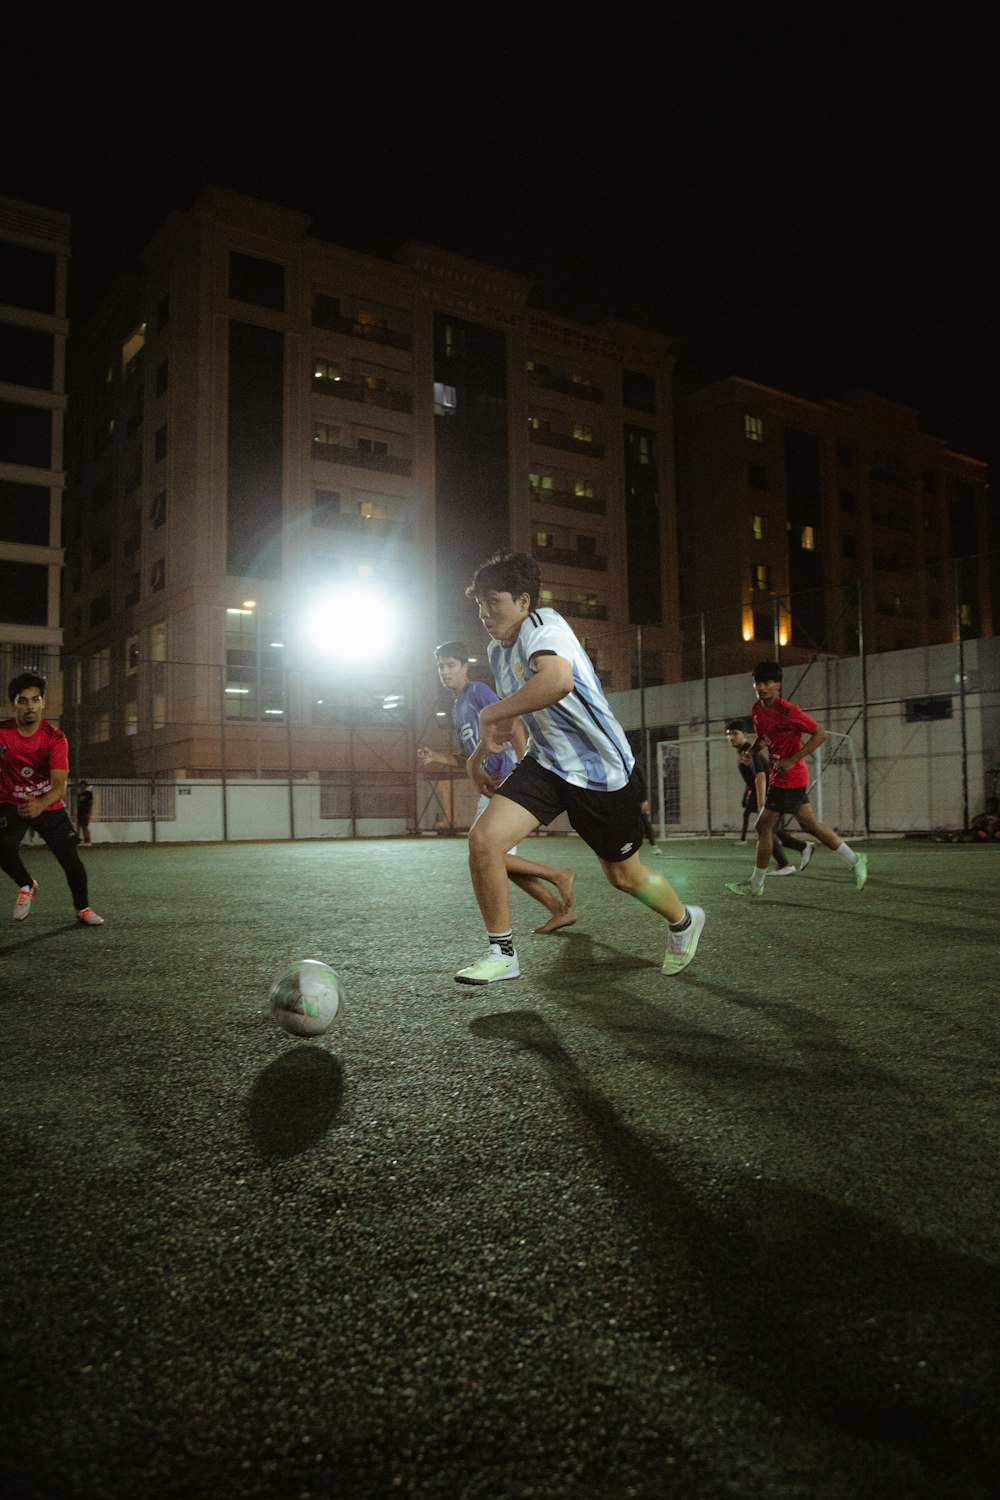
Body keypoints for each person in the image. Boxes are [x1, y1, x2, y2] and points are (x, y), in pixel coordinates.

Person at [453, 551, 704, 983]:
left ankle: (684, 920)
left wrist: (488, 715)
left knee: (625, 878)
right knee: (484, 841)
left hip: (600, 772)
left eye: (493, 602)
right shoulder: (498, 650)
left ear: (524, 602)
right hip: (547, 764)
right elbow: (517, 708)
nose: (483, 613)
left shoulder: (545, 628)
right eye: (479, 603)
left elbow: (556, 681)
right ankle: (502, 953)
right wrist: (479, 753)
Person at [418, 641, 577, 933]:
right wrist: (436, 757)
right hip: (491, 787)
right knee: (498, 858)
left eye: (451, 665)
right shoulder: (457, 709)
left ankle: (558, 875)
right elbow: (470, 756)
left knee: (487, 853)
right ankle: (557, 908)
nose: (444, 671)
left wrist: (521, 764)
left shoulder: (476, 691)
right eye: (441, 666)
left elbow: (513, 720)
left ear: (465, 667)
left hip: (505, 781)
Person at [726, 660, 867, 899]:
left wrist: (793, 759)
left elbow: (820, 734)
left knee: (763, 827)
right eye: (758, 682)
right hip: (781, 776)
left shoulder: (789, 711)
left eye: (767, 682)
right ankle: (855, 859)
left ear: (777, 685)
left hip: (789, 777)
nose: (762, 687)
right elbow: (764, 738)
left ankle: (756, 884)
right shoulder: (757, 710)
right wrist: (752, 752)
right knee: (809, 825)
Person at [1, 672, 105, 925]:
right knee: (1, 847)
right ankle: (26, 884)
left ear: (43, 702)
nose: (30, 707)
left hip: (47, 803)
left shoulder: (55, 738)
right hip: (11, 802)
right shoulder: (2, 733)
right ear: (13, 704)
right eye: (23, 701)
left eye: (35, 700)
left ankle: (83, 909)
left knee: (71, 860)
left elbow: (59, 785)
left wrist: (41, 803)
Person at [724, 720, 813, 876]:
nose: (731, 737)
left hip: (773, 793)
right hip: (771, 792)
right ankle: (802, 848)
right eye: (728, 734)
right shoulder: (743, 753)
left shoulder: (750, 752)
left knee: (768, 830)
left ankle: (787, 863)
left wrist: (761, 802)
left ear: (744, 734)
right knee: (772, 830)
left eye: (734, 733)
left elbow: (760, 776)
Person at [76, 779, 94, 843]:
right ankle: (85, 840)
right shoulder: (79, 794)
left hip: (85, 812)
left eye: (84, 786)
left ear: (86, 787)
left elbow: (91, 803)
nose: (82, 787)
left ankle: (88, 840)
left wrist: (89, 812)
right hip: (80, 812)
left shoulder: (89, 793)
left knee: (85, 826)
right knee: (82, 826)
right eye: (81, 786)